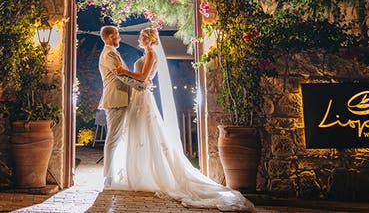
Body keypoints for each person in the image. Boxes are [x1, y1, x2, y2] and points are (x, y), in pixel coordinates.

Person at [112, 27, 255, 211]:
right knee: (139, 133)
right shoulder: (147, 54)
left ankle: (150, 174)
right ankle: (140, 173)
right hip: (139, 96)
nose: (139, 38)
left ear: (148, 39)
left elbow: (143, 76)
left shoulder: (151, 54)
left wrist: (123, 71)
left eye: (141, 36)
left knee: (146, 132)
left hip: (143, 98)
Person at [97, 25, 130, 188]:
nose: (119, 37)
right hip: (116, 99)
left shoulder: (111, 52)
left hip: (120, 98)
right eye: (117, 34)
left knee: (119, 137)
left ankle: (118, 172)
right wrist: (141, 85)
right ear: (110, 37)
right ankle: (108, 178)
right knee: (113, 137)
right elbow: (121, 74)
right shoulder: (109, 53)